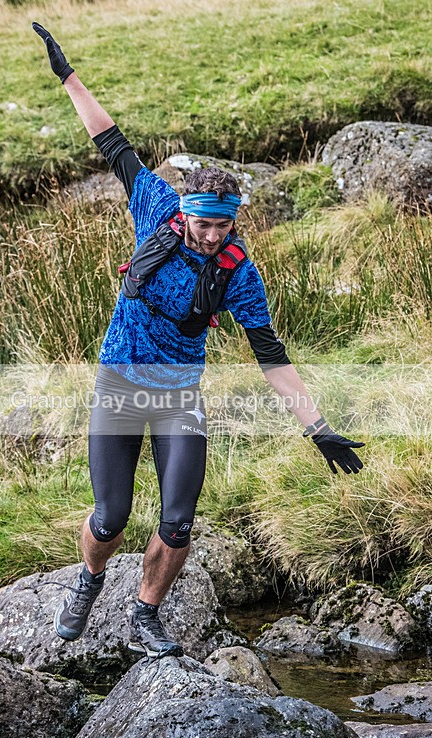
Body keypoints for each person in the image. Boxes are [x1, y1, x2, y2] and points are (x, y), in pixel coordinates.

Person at [32, 22, 365, 658]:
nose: (213, 234)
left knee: (178, 522)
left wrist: (315, 426)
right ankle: (90, 577)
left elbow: (273, 359)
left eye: (224, 224)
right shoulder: (156, 206)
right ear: (185, 213)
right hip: (120, 384)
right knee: (109, 517)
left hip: (180, 394)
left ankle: (146, 614)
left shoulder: (239, 272)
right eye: (204, 223)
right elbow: (111, 142)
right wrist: (68, 77)